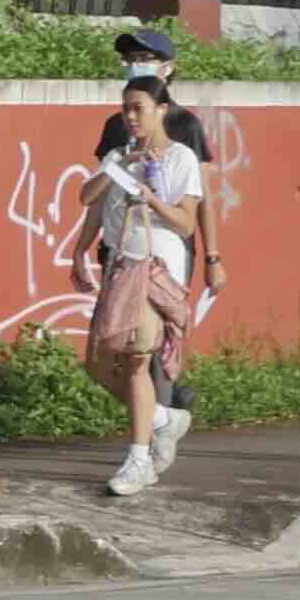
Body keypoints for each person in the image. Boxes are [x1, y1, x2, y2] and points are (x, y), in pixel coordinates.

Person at [79, 74, 211, 496]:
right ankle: (161, 419)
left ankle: (138, 459)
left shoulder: (181, 159)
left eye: (139, 108)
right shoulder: (118, 156)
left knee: (137, 355)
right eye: (126, 109)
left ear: (161, 111)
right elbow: (89, 201)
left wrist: (151, 198)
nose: (131, 117)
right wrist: (80, 251)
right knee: (98, 361)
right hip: (120, 263)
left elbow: (187, 221)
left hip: (157, 264)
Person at [102, 24, 226, 459]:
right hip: (120, 246)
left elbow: (202, 196)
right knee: (115, 349)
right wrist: (87, 247)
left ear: (168, 69)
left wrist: (212, 256)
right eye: (129, 58)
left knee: (151, 346)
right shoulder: (117, 124)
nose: (134, 64)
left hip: (167, 250)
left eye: (144, 57)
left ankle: (157, 430)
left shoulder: (184, 127)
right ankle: (160, 419)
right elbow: (102, 191)